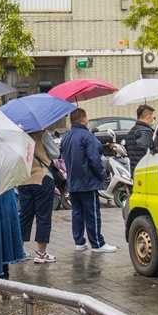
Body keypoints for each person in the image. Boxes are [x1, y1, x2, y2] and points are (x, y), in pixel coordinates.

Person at [60, 108, 117, 253]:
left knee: (77, 212)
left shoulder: (66, 137)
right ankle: (97, 243)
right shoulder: (87, 136)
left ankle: (79, 242)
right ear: (83, 119)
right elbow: (94, 159)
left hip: (73, 181)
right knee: (92, 213)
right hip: (87, 181)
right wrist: (102, 174)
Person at [17, 130, 56, 263]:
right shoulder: (42, 133)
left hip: (23, 179)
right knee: (43, 216)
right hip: (41, 177)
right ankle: (41, 253)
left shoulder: (17, 134)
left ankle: (19, 251)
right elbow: (55, 153)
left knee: (24, 215)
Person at [126, 104, 156, 175]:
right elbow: (151, 151)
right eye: (153, 118)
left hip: (135, 170)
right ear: (148, 117)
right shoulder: (145, 132)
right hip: (145, 171)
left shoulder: (131, 131)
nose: (153, 120)